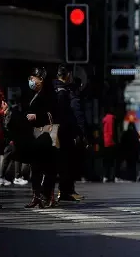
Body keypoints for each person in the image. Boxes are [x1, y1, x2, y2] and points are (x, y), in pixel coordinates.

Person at [25, 67, 58, 208]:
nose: (31, 81)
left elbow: (55, 114)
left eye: (33, 78)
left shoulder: (49, 94)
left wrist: (37, 116)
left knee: (48, 166)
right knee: (35, 167)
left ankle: (47, 195)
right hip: (35, 134)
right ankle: (36, 196)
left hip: (47, 133)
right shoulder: (32, 94)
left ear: (41, 79)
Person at [53, 64, 86, 202]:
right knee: (67, 163)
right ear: (68, 76)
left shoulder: (52, 89)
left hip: (56, 131)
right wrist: (81, 131)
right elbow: (73, 113)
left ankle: (62, 191)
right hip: (65, 132)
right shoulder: (65, 92)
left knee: (61, 164)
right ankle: (65, 191)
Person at [102, 109, 117, 183]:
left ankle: (105, 176)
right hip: (111, 142)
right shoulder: (112, 118)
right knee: (111, 161)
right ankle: (111, 176)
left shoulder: (104, 119)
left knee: (106, 160)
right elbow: (112, 131)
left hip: (105, 141)